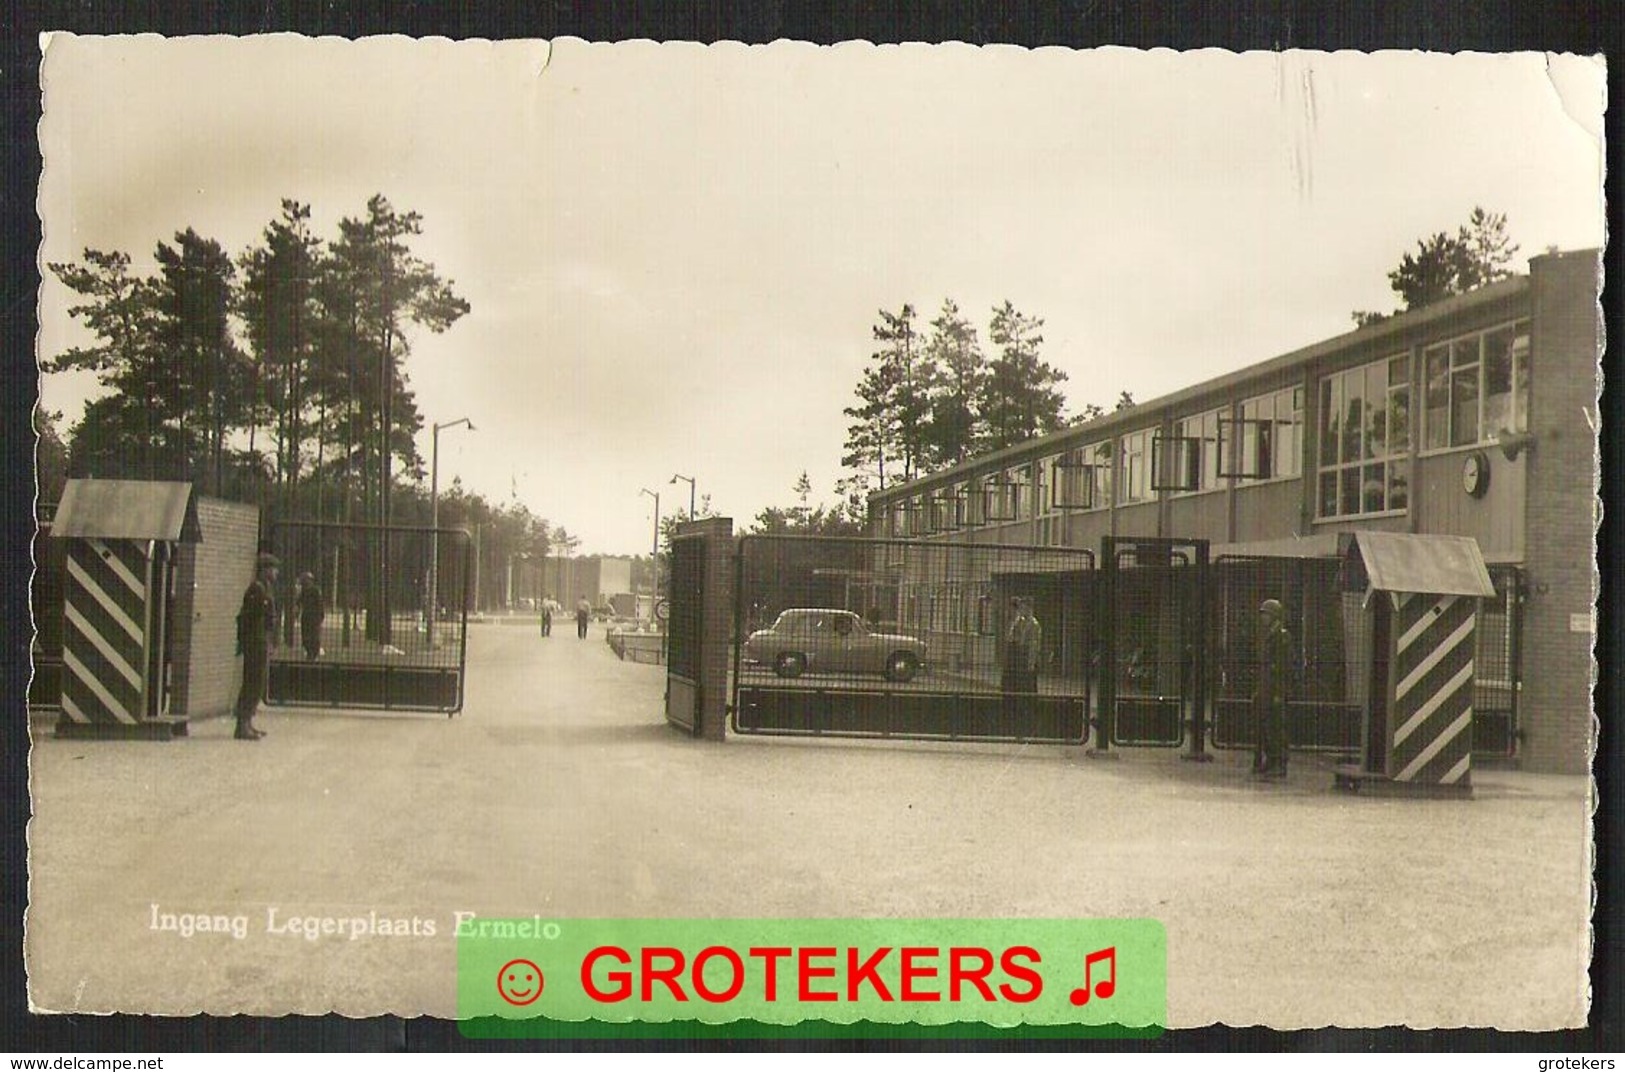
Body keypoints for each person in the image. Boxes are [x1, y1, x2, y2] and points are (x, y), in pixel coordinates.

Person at [233, 552, 279, 741]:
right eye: (273, 569)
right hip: (254, 641)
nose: (276, 573)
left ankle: (248, 722)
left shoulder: (265, 588)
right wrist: (246, 641)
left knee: (257, 683)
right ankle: (242, 724)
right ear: (265, 570)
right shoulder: (256, 589)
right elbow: (247, 618)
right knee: (252, 682)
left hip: (261, 641)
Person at [1254, 598, 1290, 779]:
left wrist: (1278, 693)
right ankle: (1271, 759)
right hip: (1267, 687)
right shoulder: (1270, 635)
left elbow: (1282, 668)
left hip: (1274, 689)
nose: (1263, 618)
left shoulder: (1281, 636)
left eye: (1266, 614)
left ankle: (1279, 762)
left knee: (1276, 726)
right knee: (1267, 726)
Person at [1002, 597, 1043, 700]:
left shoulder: (1033, 624)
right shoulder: (1020, 622)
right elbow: (1011, 637)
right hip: (1019, 657)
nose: (1021, 610)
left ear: (1029, 608)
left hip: (1027, 657)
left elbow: (1034, 644)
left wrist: (1031, 662)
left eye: (1024, 608)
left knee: (1028, 687)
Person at [296, 571, 324, 661]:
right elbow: (298, 602)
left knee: (314, 635)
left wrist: (320, 616)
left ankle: (314, 653)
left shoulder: (315, 590)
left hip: (314, 616)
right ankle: (309, 653)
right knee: (306, 636)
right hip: (306, 616)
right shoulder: (304, 591)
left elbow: (320, 604)